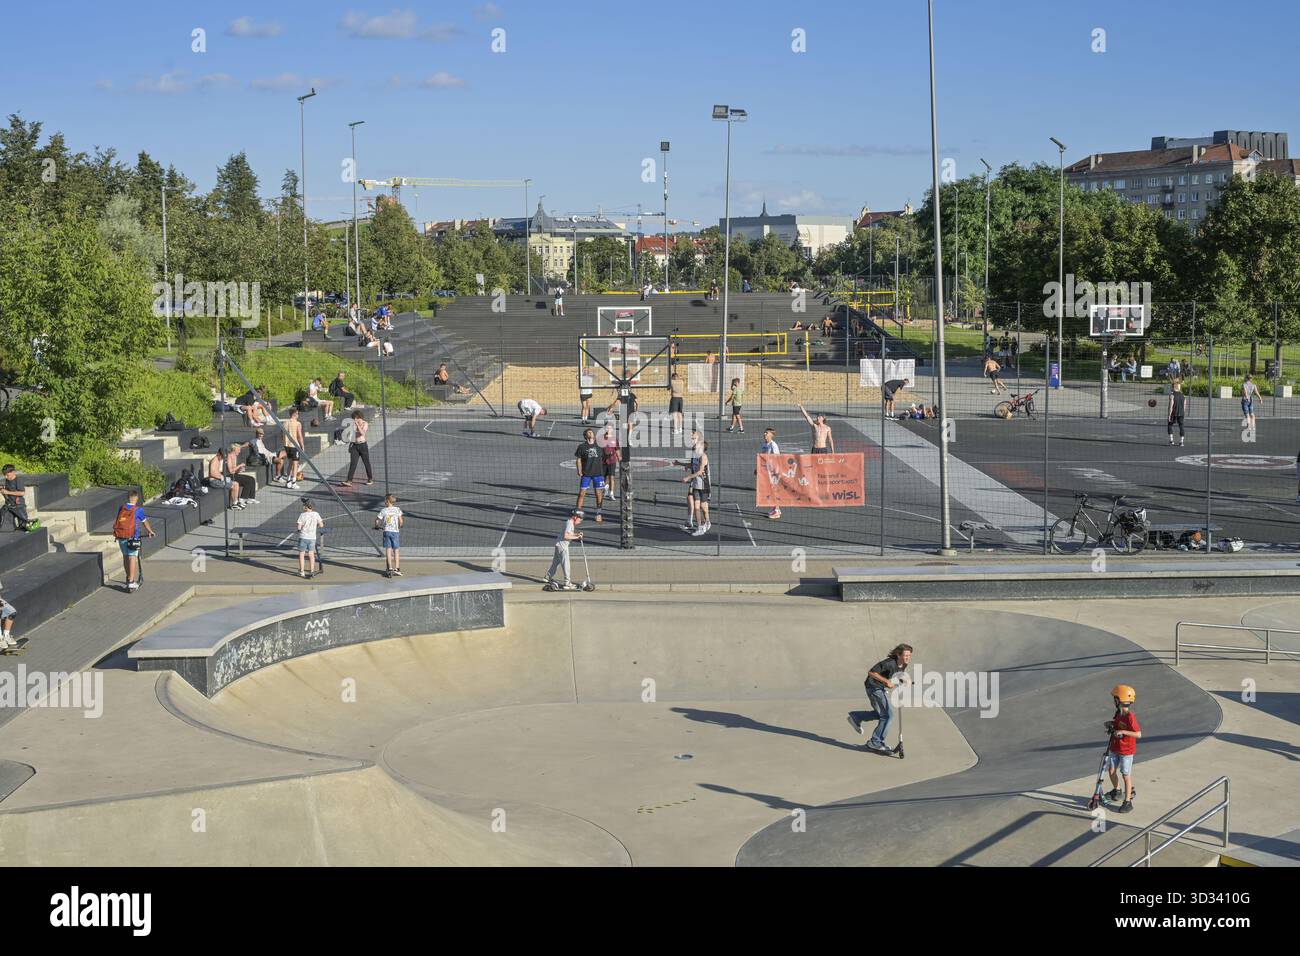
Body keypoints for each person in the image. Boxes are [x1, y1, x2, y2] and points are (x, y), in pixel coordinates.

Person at [847, 643, 913, 753]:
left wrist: (905, 680)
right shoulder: (889, 663)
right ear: (898, 655)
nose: (908, 658)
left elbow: (899, 674)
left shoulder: (903, 664)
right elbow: (871, 672)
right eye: (906, 655)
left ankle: (856, 717)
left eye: (910, 655)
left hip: (879, 688)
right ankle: (875, 742)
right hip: (873, 687)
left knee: (881, 714)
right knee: (887, 715)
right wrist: (886, 681)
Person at [1103, 684, 1142, 813]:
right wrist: (1111, 724)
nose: (1114, 700)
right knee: (1111, 770)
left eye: (1115, 698)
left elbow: (1138, 734)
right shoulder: (1118, 713)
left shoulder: (1130, 717)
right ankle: (1117, 791)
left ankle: (1127, 802)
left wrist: (1123, 732)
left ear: (1120, 699)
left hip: (1126, 751)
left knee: (1126, 775)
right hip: (1116, 747)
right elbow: (1117, 724)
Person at [112, 491, 156, 591]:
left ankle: (128, 578)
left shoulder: (121, 508)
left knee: (125, 557)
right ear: (136, 499)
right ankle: (131, 582)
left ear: (128, 498)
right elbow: (145, 523)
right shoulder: (138, 509)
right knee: (132, 557)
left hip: (121, 536)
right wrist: (150, 531)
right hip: (133, 537)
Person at [573, 427, 607, 522]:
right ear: (585, 435)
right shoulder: (582, 447)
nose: (591, 433)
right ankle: (578, 513)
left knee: (598, 494)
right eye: (589, 432)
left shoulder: (600, 446)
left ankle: (599, 513)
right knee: (581, 493)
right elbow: (578, 459)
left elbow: (604, 458)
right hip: (586, 474)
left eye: (592, 432)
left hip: (598, 473)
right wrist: (579, 470)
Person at [545, 509, 584, 590]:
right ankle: (567, 583)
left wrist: (577, 534)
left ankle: (548, 577)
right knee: (566, 564)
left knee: (555, 563)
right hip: (563, 546)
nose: (581, 520)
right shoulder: (570, 523)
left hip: (559, 545)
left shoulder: (569, 522)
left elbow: (569, 533)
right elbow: (566, 536)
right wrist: (577, 537)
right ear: (575, 517)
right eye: (580, 518)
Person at [680, 438, 712, 537]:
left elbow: (700, 471)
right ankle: (699, 527)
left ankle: (707, 522)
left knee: (703, 507)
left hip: (704, 485)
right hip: (696, 485)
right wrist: (679, 463)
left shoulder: (703, 457)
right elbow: (691, 465)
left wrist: (688, 477)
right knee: (696, 506)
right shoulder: (695, 455)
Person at [339, 409, 373, 487]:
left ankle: (370, 478)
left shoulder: (365, 423)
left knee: (366, 462)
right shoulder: (352, 425)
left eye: (357, 418)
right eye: (354, 418)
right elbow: (351, 436)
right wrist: (350, 445)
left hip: (363, 445)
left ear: (360, 417)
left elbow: (362, 433)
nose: (355, 420)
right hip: (354, 446)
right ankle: (349, 481)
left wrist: (357, 425)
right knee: (353, 463)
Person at [275, 408, 306, 489]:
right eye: (298, 413)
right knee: (295, 464)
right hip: (294, 445)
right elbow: (299, 436)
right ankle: (294, 482)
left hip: (286, 445)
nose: (298, 415)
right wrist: (302, 445)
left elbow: (281, 434)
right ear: (295, 414)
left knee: (290, 463)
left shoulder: (285, 422)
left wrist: (284, 442)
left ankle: (288, 481)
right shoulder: (298, 423)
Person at [1, 464, 37, 532]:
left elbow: (22, 493)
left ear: (13, 472)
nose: (6, 477)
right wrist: (2, 490)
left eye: (7, 475)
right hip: (10, 505)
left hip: (19, 505)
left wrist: (7, 492)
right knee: (6, 519)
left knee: (24, 523)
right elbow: (7, 491)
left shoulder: (18, 480)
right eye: (4, 475)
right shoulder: (7, 480)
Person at [375, 493, 403, 577]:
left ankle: (389, 568)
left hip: (387, 531)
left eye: (385, 500)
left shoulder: (384, 510)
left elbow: (377, 520)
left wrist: (376, 526)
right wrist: (399, 526)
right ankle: (397, 568)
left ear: (387, 501)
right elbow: (401, 521)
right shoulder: (397, 509)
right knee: (396, 550)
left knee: (388, 550)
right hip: (395, 532)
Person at [296, 498, 324, 579]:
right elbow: (321, 525)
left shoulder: (302, 515)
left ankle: (302, 571)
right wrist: (316, 526)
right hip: (312, 538)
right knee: (311, 555)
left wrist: (299, 529)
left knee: (301, 554)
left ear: (306, 506)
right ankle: (312, 571)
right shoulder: (316, 514)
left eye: (304, 505)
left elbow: (299, 526)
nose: (303, 506)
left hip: (303, 537)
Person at [759, 427, 781, 520]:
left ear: (771, 435)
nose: (764, 434)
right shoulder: (764, 444)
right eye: (764, 433)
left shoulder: (773, 445)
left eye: (766, 433)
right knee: (770, 490)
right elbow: (761, 457)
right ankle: (776, 508)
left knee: (774, 490)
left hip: (774, 471)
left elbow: (777, 458)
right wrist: (758, 468)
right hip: (766, 471)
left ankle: (777, 511)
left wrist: (776, 472)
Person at [600, 422, 620, 502]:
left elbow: (617, 449)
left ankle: (611, 494)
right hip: (603, 461)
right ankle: (605, 487)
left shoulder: (614, 439)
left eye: (610, 428)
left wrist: (619, 458)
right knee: (602, 478)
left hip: (612, 460)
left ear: (612, 429)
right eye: (607, 428)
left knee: (612, 477)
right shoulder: (600, 438)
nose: (608, 429)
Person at [1167, 381, 1188, 447]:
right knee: (1181, 426)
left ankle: (1171, 440)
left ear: (1173, 387)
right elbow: (1184, 406)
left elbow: (1171, 406)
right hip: (1181, 413)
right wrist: (1183, 413)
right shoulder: (1183, 396)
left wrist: (1169, 415)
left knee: (1170, 425)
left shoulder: (1172, 395)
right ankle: (1181, 442)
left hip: (1174, 413)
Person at [668, 371, 685, 436]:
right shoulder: (681, 381)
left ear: (673, 377)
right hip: (680, 398)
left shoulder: (672, 382)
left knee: (674, 415)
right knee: (680, 414)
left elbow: (669, 386)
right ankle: (680, 428)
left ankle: (675, 430)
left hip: (675, 398)